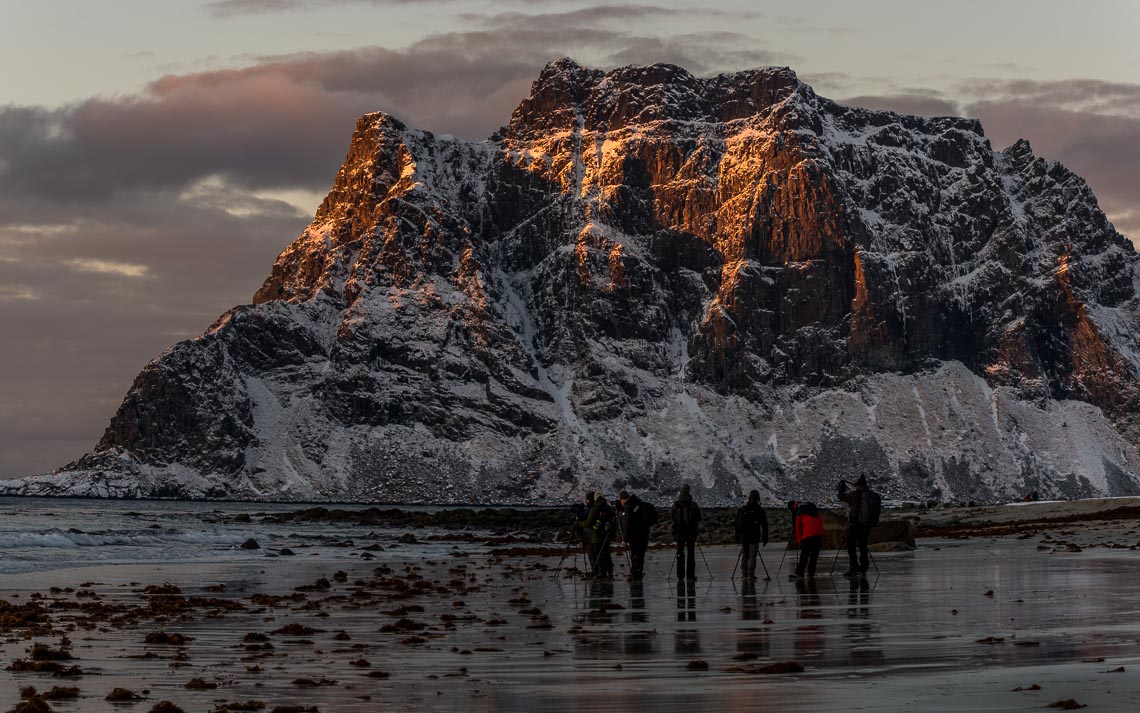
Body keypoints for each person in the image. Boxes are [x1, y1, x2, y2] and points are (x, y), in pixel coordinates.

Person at [837, 474, 873, 577]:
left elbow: (841, 497)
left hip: (855, 524)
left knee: (850, 546)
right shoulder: (869, 495)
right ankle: (864, 567)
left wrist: (841, 488)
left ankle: (854, 568)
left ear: (858, 485)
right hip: (866, 525)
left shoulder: (854, 495)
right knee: (863, 545)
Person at [619, 490, 657, 581]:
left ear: (623, 499)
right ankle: (637, 573)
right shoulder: (640, 504)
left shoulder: (629, 507)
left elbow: (627, 523)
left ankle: (635, 574)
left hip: (635, 536)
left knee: (635, 555)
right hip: (644, 534)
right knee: (640, 556)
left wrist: (624, 539)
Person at [734, 490, 769, 579]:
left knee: (745, 554)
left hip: (744, 536)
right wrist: (765, 537)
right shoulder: (759, 510)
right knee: (752, 555)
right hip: (754, 536)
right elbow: (764, 525)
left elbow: (737, 524)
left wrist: (737, 537)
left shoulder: (743, 509)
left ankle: (744, 573)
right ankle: (750, 574)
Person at [787, 499, 823, 580]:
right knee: (814, 555)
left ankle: (800, 573)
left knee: (804, 555)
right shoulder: (812, 506)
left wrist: (799, 541)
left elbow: (797, 527)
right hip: (819, 534)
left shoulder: (798, 511)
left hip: (808, 535)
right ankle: (811, 573)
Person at [671, 483, 701, 580]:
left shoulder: (675, 505)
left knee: (680, 553)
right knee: (691, 554)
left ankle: (680, 575)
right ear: (689, 491)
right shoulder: (693, 505)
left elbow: (673, 518)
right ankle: (690, 576)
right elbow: (698, 518)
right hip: (691, 533)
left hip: (679, 533)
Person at [586, 491, 616, 579]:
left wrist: (579, 523)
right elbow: (613, 518)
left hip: (597, 535)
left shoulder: (595, 508)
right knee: (606, 553)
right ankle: (609, 570)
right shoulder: (608, 507)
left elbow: (589, 523)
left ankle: (601, 572)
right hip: (607, 534)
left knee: (599, 553)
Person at [575, 491, 596, 576]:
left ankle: (595, 570)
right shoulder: (593, 508)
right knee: (593, 553)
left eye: (586, 499)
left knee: (592, 553)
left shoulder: (591, 509)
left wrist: (579, 513)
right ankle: (596, 570)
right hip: (590, 533)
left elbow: (584, 517)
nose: (585, 501)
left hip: (589, 534)